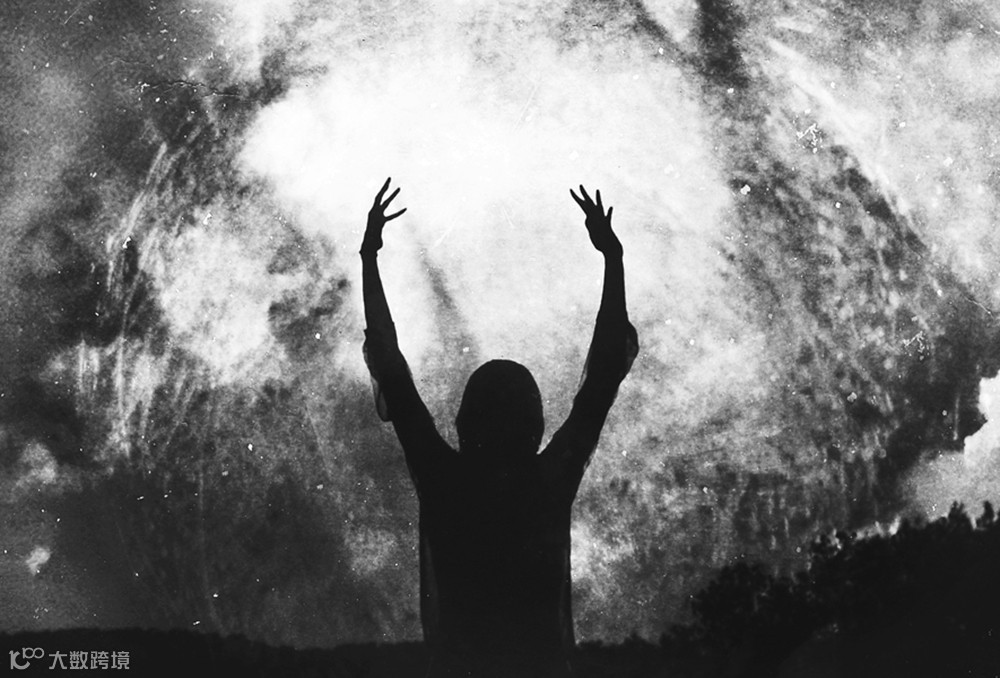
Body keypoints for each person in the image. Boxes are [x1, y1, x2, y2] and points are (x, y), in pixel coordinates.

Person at [361, 178, 638, 677]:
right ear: (533, 421)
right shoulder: (547, 482)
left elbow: (392, 371)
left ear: (467, 418)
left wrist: (370, 258)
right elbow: (601, 378)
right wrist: (612, 259)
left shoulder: (444, 481)